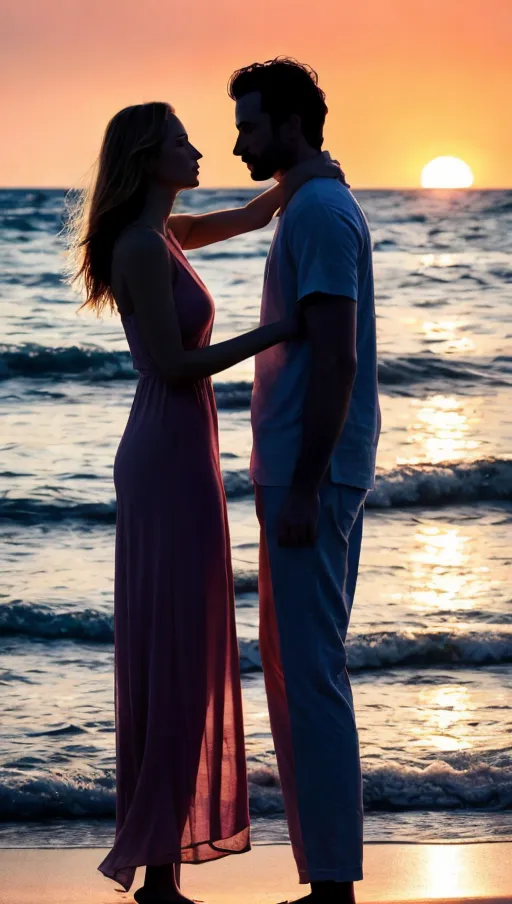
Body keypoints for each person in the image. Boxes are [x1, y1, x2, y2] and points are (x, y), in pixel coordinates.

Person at [68, 101, 340, 904]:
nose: (200, 151)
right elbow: (172, 367)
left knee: (182, 649)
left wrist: (307, 175)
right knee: (173, 653)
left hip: (182, 455)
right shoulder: (137, 249)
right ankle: (156, 871)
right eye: (183, 141)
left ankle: (161, 872)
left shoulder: (163, 237)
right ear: (151, 156)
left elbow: (255, 215)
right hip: (163, 454)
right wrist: (283, 329)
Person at [229, 59, 381, 904]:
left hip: (310, 476)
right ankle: (326, 877)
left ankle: (332, 886)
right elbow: (238, 216)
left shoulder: (319, 211)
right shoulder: (310, 196)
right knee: (297, 669)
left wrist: (302, 484)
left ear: (291, 125)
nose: (241, 141)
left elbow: (338, 357)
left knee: (312, 672)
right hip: (304, 471)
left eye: (251, 126)